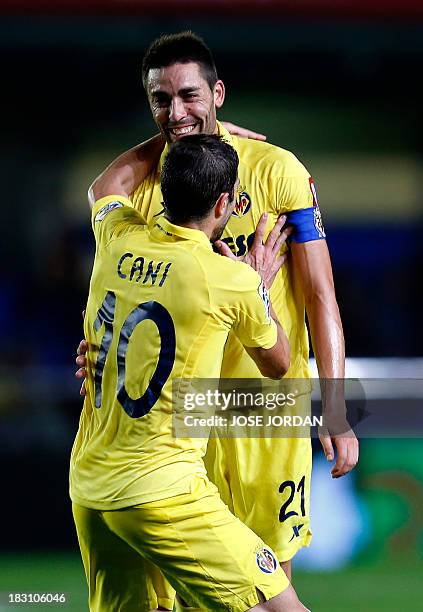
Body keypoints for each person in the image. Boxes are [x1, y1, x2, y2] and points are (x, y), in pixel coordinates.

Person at [76, 30, 358, 603]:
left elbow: (323, 296)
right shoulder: (155, 182)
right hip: (180, 414)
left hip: (262, 402)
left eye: (189, 97)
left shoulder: (275, 169)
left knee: (267, 577)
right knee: (195, 592)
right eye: (161, 100)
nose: (175, 113)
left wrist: (335, 408)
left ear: (218, 93)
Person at [70, 134, 309, 611]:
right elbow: (279, 364)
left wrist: (171, 131)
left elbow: (106, 184)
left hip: (91, 489)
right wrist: (258, 285)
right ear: (224, 203)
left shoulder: (117, 236)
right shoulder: (228, 277)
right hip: (162, 490)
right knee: (281, 607)